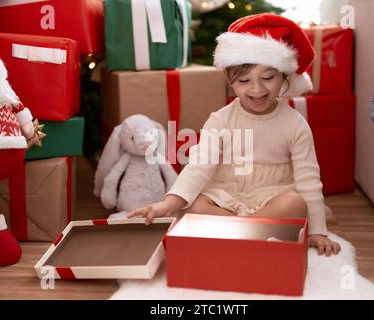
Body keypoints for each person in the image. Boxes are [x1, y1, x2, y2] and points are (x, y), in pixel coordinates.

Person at [129, 13, 341, 256]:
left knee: (294, 204)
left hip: (271, 194)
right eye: (244, 80)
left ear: (284, 75)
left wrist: (317, 231)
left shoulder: (295, 124)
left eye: (268, 78)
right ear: (230, 80)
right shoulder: (220, 120)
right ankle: (254, 232)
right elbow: (199, 166)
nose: (257, 89)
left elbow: (308, 179)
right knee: (194, 206)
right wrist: (169, 203)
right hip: (228, 194)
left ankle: (238, 231)